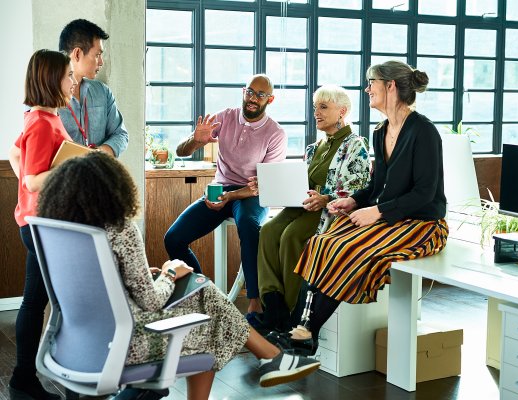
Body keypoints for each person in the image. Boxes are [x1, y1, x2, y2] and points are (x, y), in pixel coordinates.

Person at [36, 152, 320, 400]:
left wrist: (140, 274)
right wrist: (169, 274)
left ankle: (270, 357)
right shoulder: (121, 230)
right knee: (209, 327)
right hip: (127, 341)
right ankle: (271, 357)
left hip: (74, 341)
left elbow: (94, 281)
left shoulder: (62, 231)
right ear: (113, 189)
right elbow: (149, 300)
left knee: (200, 287)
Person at [272, 60, 449, 355]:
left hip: (422, 224)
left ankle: (305, 333)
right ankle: (298, 328)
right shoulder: (381, 132)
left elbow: (424, 193)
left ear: (390, 86)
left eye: (371, 82)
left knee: (347, 248)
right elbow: (378, 186)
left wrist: (376, 212)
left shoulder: (424, 131)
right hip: (390, 218)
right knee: (321, 242)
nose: (367, 89)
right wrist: (354, 201)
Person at [164, 74, 286, 318]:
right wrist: (196, 141)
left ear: (269, 100)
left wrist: (232, 197)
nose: (253, 98)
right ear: (243, 92)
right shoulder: (225, 117)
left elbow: (264, 185)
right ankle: (203, 295)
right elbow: (181, 151)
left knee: (250, 227)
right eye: (249, 92)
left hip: (251, 194)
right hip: (220, 188)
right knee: (173, 238)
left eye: (260, 95)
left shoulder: (275, 133)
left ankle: (254, 302)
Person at [254, 85, 371, 333]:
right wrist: (272, 185)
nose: (316, 112)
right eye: (315, 106)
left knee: (291, 236)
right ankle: (272, 304)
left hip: (328, 211)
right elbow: (300, 182)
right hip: (302, 205)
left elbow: (359, 187)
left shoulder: (355, 144)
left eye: (323, 107)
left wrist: (325, 197)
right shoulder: (314, 147)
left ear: (342, 112)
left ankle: (290, 311)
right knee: (267, 231)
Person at [7, 49, 76, 400]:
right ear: (51, 79)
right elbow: (34, 180)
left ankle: (26, 380)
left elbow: (16, 156)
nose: (72, 81)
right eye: (68, 76)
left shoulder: (39, 117)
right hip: (41, 226)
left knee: (36, 301)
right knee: (52, 302)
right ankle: (63, 377)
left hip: (37, 222)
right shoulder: (40, 121)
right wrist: (73, 166)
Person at [58, 19, 128, 156]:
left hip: (99, 174)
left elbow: (120, 134)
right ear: (77, 54)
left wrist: (99, 154)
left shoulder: (103, 92)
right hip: (64, 176)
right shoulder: (46, 97)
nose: (101, 62)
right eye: (97, 55)